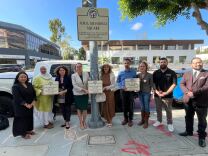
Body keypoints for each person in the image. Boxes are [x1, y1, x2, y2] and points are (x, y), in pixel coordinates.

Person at [179, 57, 208, 147]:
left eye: (200, 62)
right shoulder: (187, 73)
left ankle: (202, 138)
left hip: (201, 101)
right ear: (191, 64)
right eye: (195, 63)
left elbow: (206, 86)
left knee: (202, 120)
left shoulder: (206, 73)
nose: (198, 64)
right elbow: (182, 84)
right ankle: (188, 131)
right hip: (188, 100)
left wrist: (194, 93)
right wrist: (187, 92)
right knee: (188, 116)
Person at [153, 57, 177, 132]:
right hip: (157, 95)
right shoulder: (156, 72)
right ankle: (159, 121)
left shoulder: (172, 72)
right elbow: (153, 84)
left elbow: (174, 84)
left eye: (164, 62)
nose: (162, 63)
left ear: (167, 63)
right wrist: (156, 91)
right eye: (161, 62)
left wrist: (166, 92)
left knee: (168, 110)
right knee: (158, 109)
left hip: (168, 96)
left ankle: (170, 123)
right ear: (159, 63)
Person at [12, 71, 36, 139]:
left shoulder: (29, 84)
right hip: (20, 106)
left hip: (30, 105)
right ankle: (23, 133)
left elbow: (34, 94)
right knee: (22, 120)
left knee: (29, 118)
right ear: (18, 78)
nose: (23, 78)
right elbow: (17, 97)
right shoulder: (15, 86)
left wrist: (33, 102)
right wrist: (26, 104)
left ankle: (28, 130)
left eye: (25, 77)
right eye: (21, 77)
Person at [117, 58, 136, 127]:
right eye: (125, 63)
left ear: (130, 63)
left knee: (131, 106)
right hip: (123, 91)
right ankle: (125, 119)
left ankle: (130, 119)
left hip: (131, 91)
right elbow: (118, 82)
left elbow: (136, 81)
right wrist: (122, 86)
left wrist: (134, 87)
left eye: (128, 63)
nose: (126, 64)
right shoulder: (120, 73)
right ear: (123, 64)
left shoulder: (133, 72)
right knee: (124, 106)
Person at [71, 63, 89, 130]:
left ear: (82, 67)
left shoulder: (86, 74)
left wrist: (91, 88)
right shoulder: (73, 75)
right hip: (77, 94)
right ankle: (80, 123)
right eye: (77, 67)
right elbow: (74, 85)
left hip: (85, 94)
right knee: (79, 109)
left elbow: (89, 82)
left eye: (80, 66)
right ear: (75, 68)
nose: (79, 68)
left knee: (84, 109)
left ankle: (84, 122)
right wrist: (83, 89)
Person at [137, 61, 153, 128]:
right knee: (142, 106)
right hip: (140, 93)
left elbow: (152, 85)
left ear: (146, 67)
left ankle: (146, 121)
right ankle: (142, 120)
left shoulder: (150, 75)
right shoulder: (138, 75)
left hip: (147, 93)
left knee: (146, 107)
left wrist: (151, 93)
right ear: (139, 67)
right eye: (141, 66)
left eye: (143, 66)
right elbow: (135, 84)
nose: (142, 67)